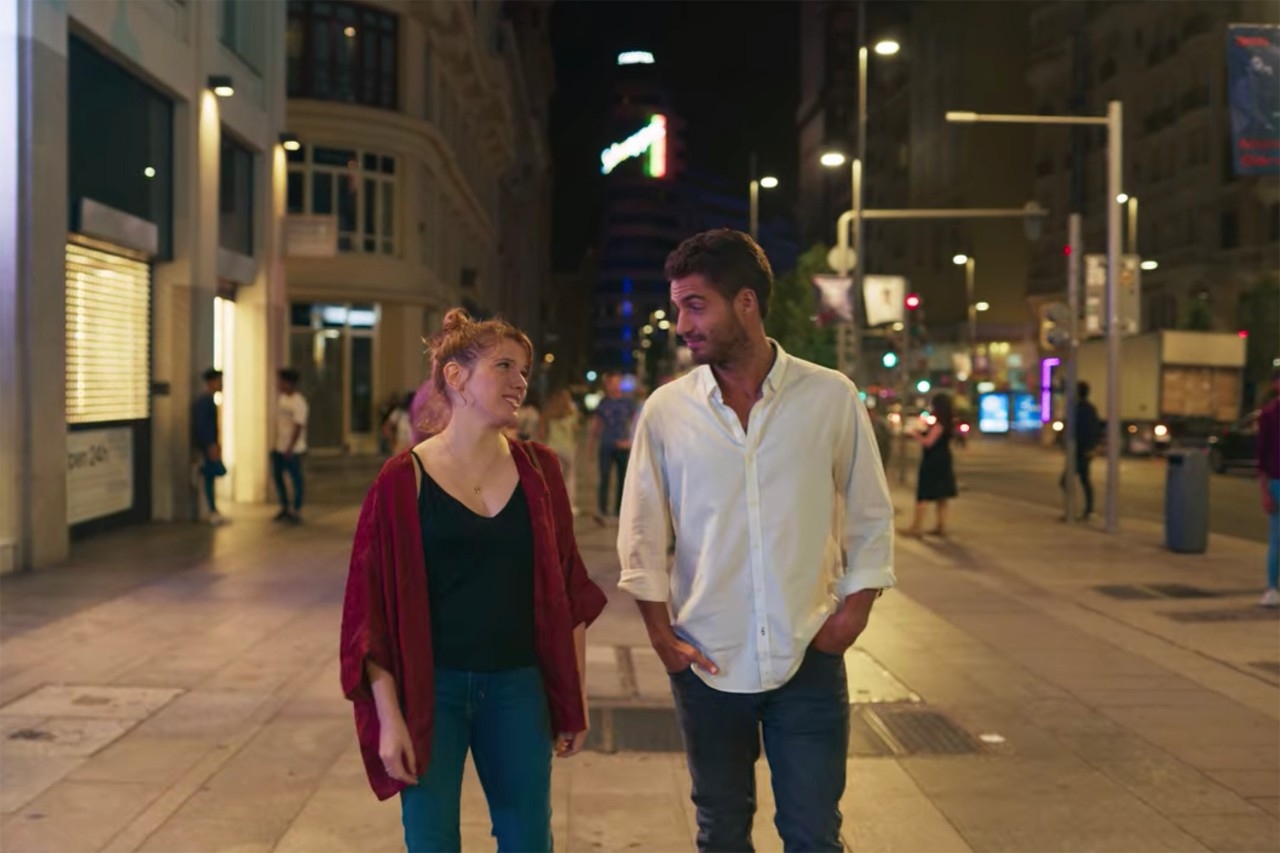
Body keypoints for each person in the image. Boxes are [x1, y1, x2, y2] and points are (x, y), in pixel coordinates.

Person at [617, 229, 895, 852]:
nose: (682, 324)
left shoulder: (830, 397)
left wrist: (851, 616)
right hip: (707, 661)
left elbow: (871, 513)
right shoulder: (667, 410)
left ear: (745, 302)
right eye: (678, 306)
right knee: (721, 833)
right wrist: (661, 637)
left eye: (696, 305)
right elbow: (641, 530)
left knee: (814, 835)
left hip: (808, 657)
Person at [339, 309, 607, 853]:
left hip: (518, 689)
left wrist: (572, 696)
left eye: (524, 370)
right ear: (455, 377)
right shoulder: (401, 480)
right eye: (503, 365)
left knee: (528, 838)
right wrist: (389, 720)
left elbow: (570, 593)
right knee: (432, 840)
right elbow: (369, 615)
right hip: (430, 689)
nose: (520, 381)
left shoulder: (541, 472)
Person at [904, 393, 958, 538]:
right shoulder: (948, 422)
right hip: (944, 460)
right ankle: (940, 526)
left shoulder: (939, 424)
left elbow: (928, 443)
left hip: (932, 461)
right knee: (942, 495)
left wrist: (916, 435)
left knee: (923, 493)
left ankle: (916, 526)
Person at [590, 373, 636, 521]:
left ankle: (619, 510)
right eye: (611, 383)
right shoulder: (603, 403)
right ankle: (602, 509)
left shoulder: (628, 403)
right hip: (606, 444)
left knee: (622, 478)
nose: (613, 386)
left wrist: (631, 441)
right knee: (604, 477)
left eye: (616, 383)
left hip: (623, 445)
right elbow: (596, 425)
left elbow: (635, 423)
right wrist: (591, 445)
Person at [191, 368, 229, 526]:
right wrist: (210, 445)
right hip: (207, 446)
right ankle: (210, 510)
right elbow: (203, 427)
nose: (221, 385)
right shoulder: (204, 403)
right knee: (208, 477)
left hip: (209, 445)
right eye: (219, 381)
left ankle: (212, 509)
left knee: (210, 478)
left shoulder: (209, 402)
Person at [272, 368, 309, 524]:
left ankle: (296, 509)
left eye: (281, 381)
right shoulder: (282, 399)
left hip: (294, 448)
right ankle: (284, 506)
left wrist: (290, 447)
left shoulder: (299, 402)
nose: (278, 384)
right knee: (278, 476)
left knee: (296, 479)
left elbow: (298, 425)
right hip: (279, 446)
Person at [1061, 381, 1101, 520]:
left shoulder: (1082, 409)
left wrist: (1089, 448)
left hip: (1080, 450)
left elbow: (1087, 430)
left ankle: (1077, 510)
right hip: (1080, 450)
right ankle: (1086, 510)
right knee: (1083, 479)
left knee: (1069, 480)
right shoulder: (1083, 408)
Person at [540, 388, 581, 516]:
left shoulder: (548, 413)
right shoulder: (572, 413)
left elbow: (542, 433)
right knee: (570, 477)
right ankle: (570, 505)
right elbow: (575, 430)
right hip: (568, 448)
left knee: (553, 478)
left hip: (552, 448)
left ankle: (551, 504)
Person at [1257, 369, 1279, 607]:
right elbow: (1261, 456)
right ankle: (1272, 587)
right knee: (1277, 538)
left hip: (1275, 480)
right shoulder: (1270, 414)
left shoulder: (1269, 414)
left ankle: (1273, 588)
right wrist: (1264, 490)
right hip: (1277, 481)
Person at [382, 391, 417, 456]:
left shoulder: (418, 414)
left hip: (415, 447)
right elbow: (387, 427)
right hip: (401, 445)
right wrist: (392, 441)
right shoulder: (398, 413)